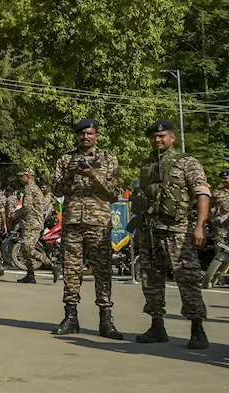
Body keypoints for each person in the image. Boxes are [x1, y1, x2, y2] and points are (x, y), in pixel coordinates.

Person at [131, 120, 212, 350]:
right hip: (149, 230)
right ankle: (157, 325)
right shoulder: (147, 164)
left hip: (177, 231)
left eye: (162, 136)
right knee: (151, 279)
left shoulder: (187, 162)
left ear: (172, 137)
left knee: (186, 278)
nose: (157, 140)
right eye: (154, 137)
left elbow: (202, 194)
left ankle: (197, 328)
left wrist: (199, 226)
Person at [49, 119, 122, 338]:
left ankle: (106, 319)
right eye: (82, 134)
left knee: (102, 271)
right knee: (71, 271)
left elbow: (114, 192)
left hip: (98, 222)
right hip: (73, 222)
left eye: (90, 134)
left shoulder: (108, 159)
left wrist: (92, 175)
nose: (85, 137)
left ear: (97, 135)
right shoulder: (65, 159)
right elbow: (57, 190)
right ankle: (71, 317)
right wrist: (70, 174)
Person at [12, 168, 48, 284]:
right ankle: (30, 274)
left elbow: (27, 207)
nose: (20, 178)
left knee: (28, 248)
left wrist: (16, 214)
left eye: (22, 176)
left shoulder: (29, 188)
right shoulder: (35, 188)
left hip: (32, 222)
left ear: (28, 176)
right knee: (23, 248)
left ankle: (50, 264)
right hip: (31, 222)